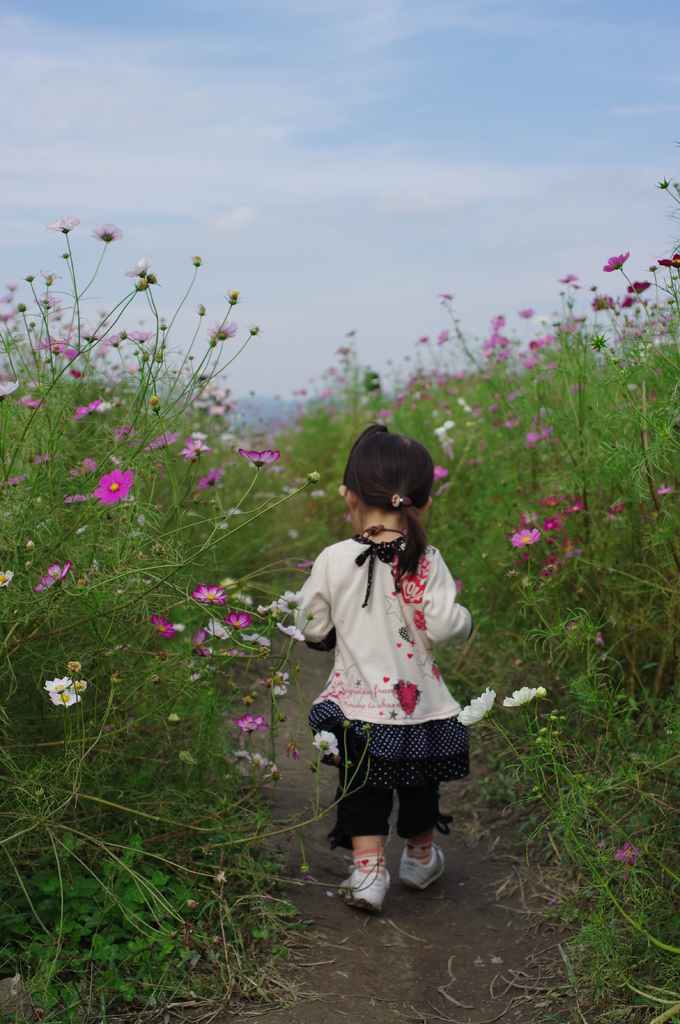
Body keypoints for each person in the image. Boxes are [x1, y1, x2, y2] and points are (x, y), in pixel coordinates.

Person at [296, 424, 472, 913]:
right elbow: (442, 625)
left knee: (362, 789)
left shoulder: (333, 559)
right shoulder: (427, 559)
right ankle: (419, 859)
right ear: (423, 503)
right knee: (420, 786)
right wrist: (465, 622)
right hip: (422, 709)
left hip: (358, 708)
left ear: (347, 495)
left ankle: (369, 875)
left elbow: (310, 626)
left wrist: (329, 626)